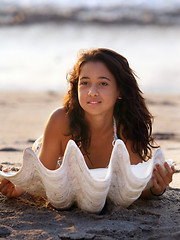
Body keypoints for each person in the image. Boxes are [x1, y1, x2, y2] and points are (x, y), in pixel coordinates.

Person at [0, 48, 175, 199]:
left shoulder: (125, 128)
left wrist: (157, 189)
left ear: (119, 91)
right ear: (76, 88)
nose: (92, 92)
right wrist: (18, 188)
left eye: (103, 83)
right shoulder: (61, 121)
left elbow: (135, 186)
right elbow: (41, 174)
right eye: (85, 83)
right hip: (48, 150)